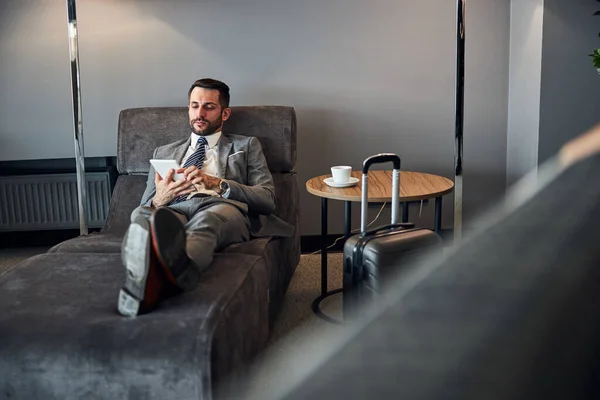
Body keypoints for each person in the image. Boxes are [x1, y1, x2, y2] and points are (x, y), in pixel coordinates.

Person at [117, 78, 293, 317]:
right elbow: (145, 205)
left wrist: (218, 184)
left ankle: (171, 275)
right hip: (174, 208)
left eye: (209, 107)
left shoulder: (247, 145)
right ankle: (148, 280)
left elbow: (267, 199)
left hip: (221, 207)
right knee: (141, 216)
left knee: (208, 220)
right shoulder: (164, 152)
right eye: (194, 105)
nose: (200, 113)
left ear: (224, 113)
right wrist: (160, 198)